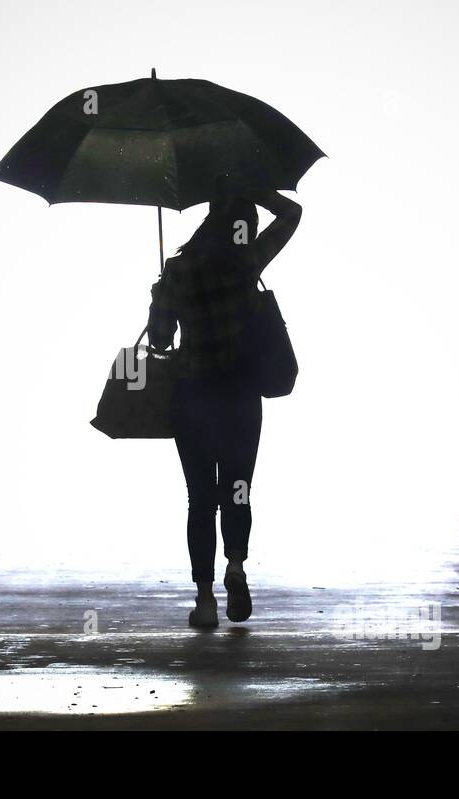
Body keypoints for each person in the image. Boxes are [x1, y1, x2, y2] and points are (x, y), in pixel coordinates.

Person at [147, 183, 301, 629]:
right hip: (239, 395)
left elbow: (159, 342)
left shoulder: (177, 270)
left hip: (192, 397)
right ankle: (236, 567)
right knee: (238, 488)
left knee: (200, 499)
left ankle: (205, 600)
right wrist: (257, 190)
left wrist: (161, 297)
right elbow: (292, 214)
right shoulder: (246, 262)